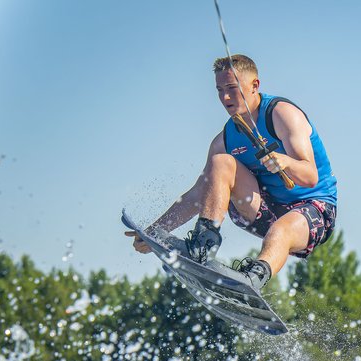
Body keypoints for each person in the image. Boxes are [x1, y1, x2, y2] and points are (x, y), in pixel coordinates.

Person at [125, 54, 337, 288]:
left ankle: (251, 281)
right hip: (261, 208)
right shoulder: (224, 139)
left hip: (312, 210)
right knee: (221, 163)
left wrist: (286, 162)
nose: (225, 97)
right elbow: (199, 194)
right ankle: (203, 245)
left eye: (232, 88)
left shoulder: (281, 114)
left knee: (280, 230)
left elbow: (310, 176)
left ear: (255, 85)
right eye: (219, 90)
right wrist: (154, 232)